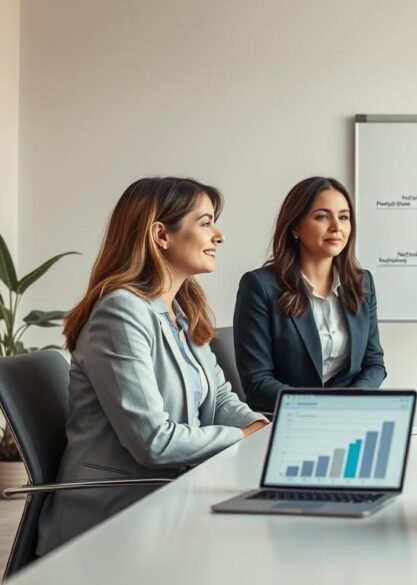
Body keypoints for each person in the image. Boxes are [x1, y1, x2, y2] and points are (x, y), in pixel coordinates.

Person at [38, 177, 268, 555]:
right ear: (161, 235)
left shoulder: (180, 310)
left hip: (168, 498)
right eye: (206, 222)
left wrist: (262, 427)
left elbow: (221, 398)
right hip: (115, 518)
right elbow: (154, 442)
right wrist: (243, 438)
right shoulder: (121, 312)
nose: (219, 235)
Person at [234, 177, 385, 413]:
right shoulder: (259, 286)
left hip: (349, 415)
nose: (337, 227)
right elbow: (257, 381)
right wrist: (320, 407)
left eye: (344, 217)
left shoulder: (362, 282)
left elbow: (374, 363)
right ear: (295, 227)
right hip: (287, 419)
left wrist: (355, 400)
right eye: (322, 217)